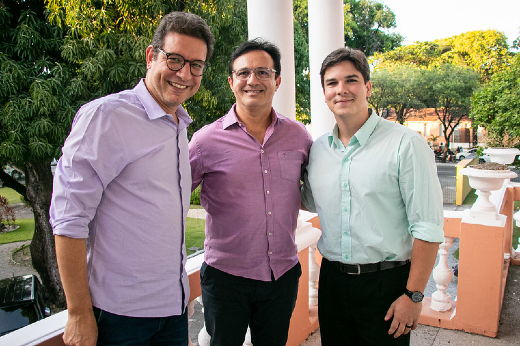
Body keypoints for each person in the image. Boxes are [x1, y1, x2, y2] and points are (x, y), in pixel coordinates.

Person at [49, 12, 215, 346]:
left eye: (196, 64)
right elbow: (68, 218)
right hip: (118, 319)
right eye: (176, 59)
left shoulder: (179, 126)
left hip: (172, 309)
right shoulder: (107, 116)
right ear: (152, 56)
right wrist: (78, 313)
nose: (185, 73)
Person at [301, 47, 444, 345]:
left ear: (367, 87)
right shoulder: (318, 150)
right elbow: (311, 202)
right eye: (332, 83)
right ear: (325, 93)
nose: (341, 90)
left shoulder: (406, 144)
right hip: (332, 282)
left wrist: (413, 295)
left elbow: (428, 228)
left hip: (386, 284)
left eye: (351, 80)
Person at [189, 39, 313, 346]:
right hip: (225, 278)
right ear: (231, 82)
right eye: (243, 73)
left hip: (282, 275)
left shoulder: (298, 136)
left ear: (277, 81)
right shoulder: (205, 141)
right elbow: (171, 197)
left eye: (262, 72)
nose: (252, 80)